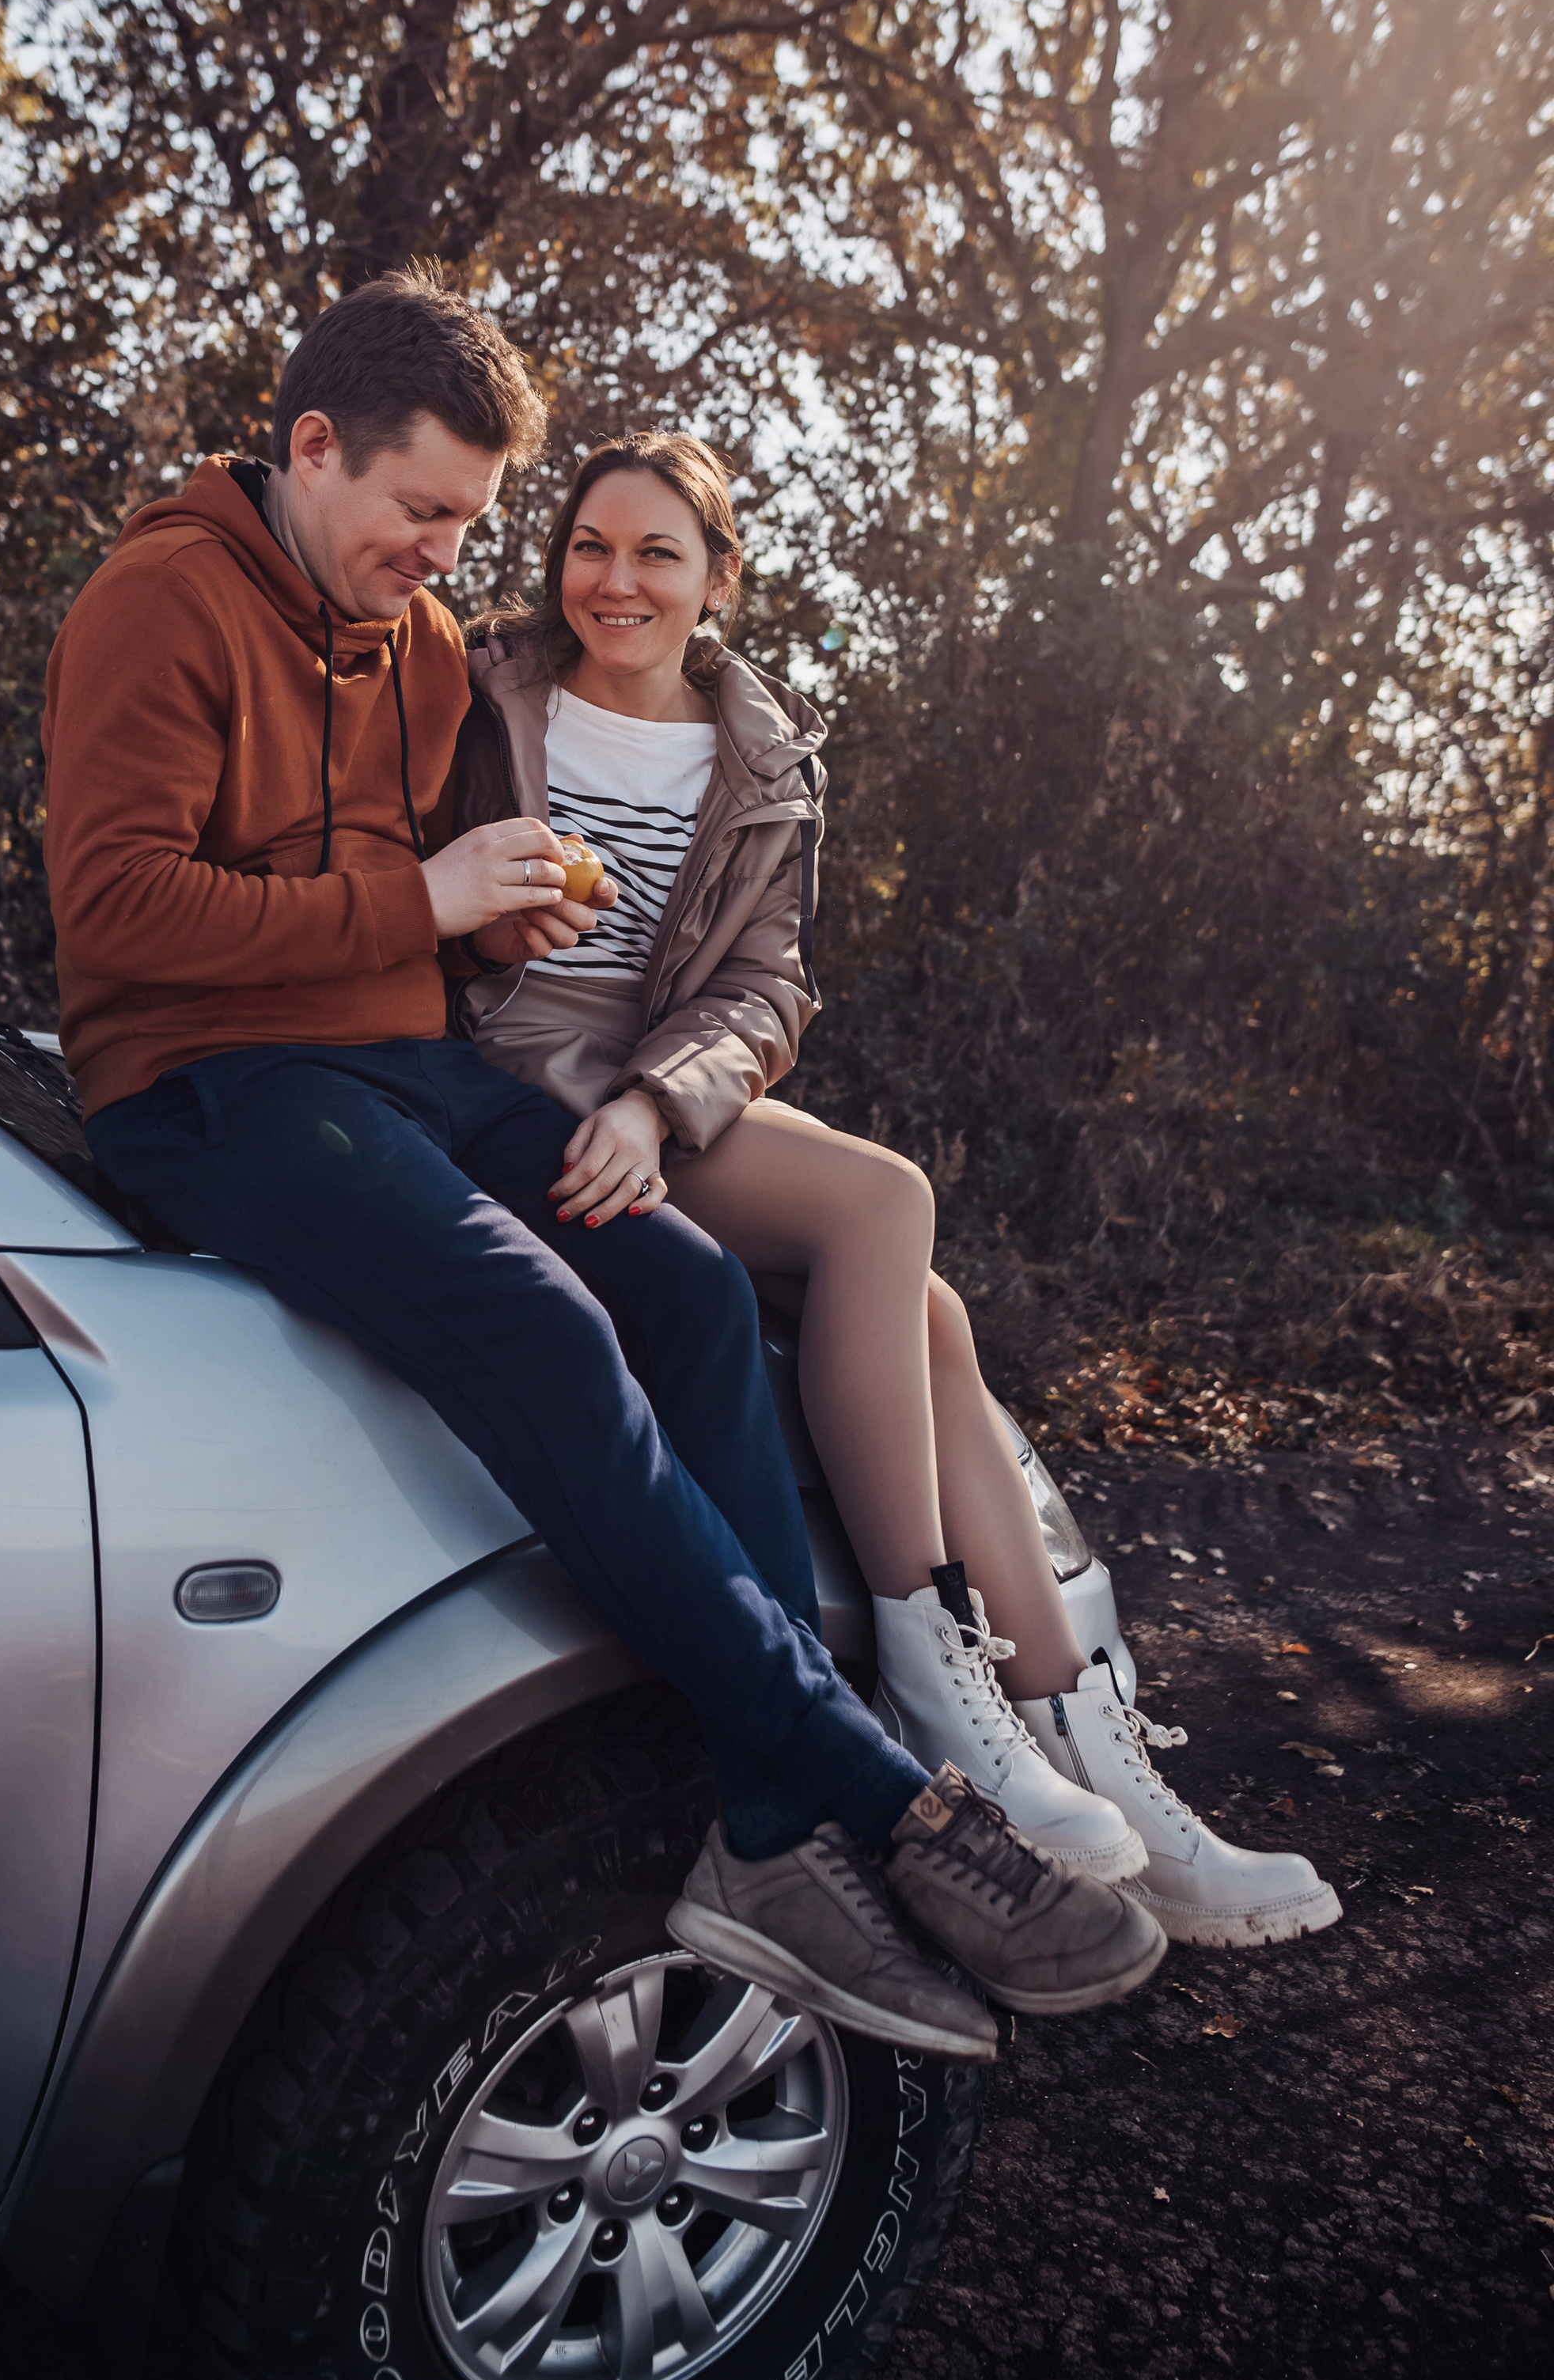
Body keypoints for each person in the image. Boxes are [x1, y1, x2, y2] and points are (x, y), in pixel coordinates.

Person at [43, 267, 1167, 2061]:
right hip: (207, 1086)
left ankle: (762, 1834)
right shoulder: (158, 598)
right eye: (421, 512)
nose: (441, 556)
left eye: (466, 523)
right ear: (312, 448)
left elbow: (418, 926)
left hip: (397, 1059)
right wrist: (421, 900)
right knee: (551, 1331)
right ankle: (853, 1799)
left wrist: (494, 922)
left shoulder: (413, 651)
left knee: (689, 1289)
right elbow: (108, 909)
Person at [453, 428, 1342, 1952]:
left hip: (658, 1085)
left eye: (659, 552)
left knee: (923, 1312)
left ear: (718, 577)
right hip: (502, 1073)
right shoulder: (476, 691)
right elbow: (392, 885)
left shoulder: (765, 753)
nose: (616, 579)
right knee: (885, 1203)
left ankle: (1104, 1771)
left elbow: (767, 987)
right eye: (590, 546)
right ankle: (942, 1686)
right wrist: (479, 942)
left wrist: (669, 1097)